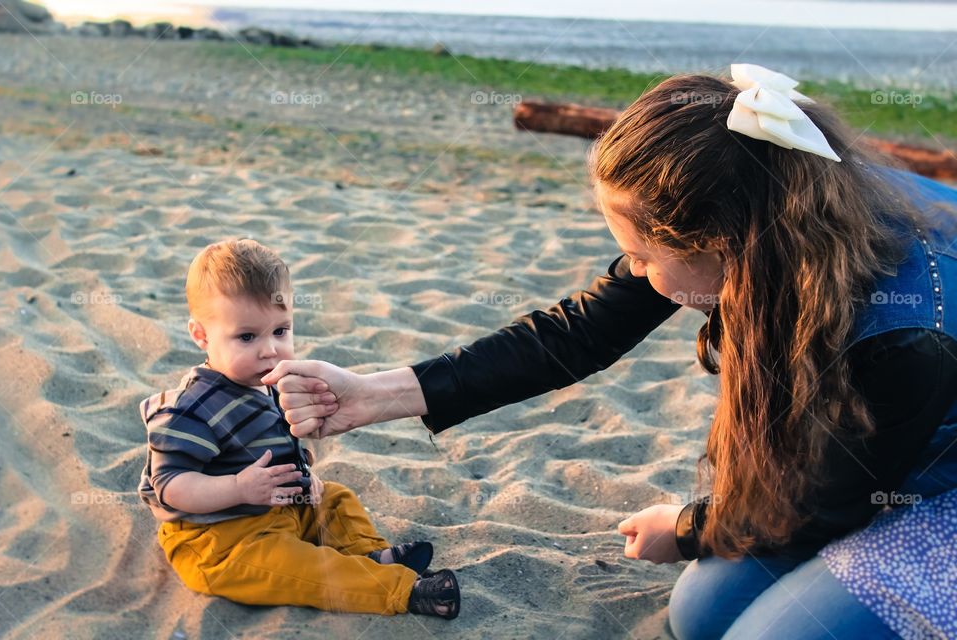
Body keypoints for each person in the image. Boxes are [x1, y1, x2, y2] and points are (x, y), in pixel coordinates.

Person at [262, 64, 957, 638]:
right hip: (878, 458)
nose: (633, 273)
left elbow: (825, 502)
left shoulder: (902, 335)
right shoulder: (766, 203)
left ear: (715, 240)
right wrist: (373, 394)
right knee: (701, 612)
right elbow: (580, 331)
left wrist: (685, 529)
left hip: (928, 491)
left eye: (638, 255)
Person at [137, 238, 460, 619]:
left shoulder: (268, 383)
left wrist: (304, 475)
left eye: (280, 331)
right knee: (301, 568)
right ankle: (404, 591)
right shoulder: (191, 409)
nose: (269, 350)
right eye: (247, 337)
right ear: (201, 335)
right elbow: (171, 487)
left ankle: (370, 554)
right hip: (220, 540)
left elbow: (276, 445)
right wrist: (237, 487)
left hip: (277, 509)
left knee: (336, 499)